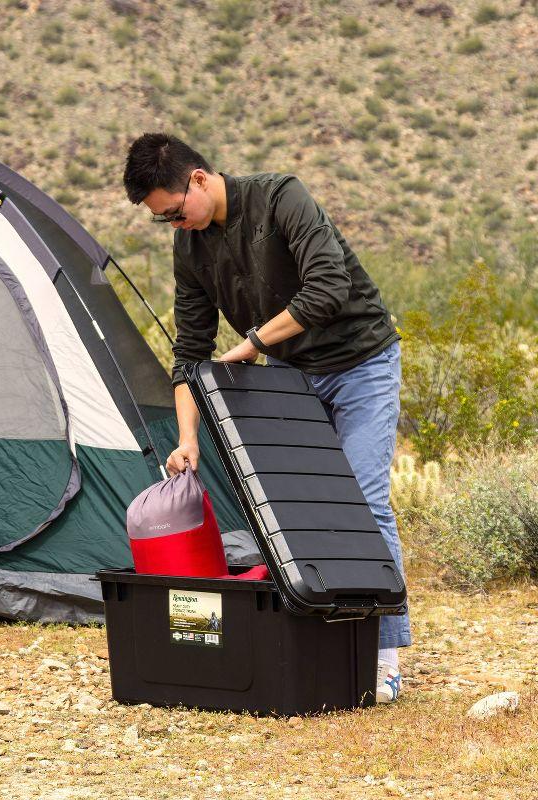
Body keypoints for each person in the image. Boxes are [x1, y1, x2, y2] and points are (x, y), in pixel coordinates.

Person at [122, 132, 410, 703]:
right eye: (165, 222)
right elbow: (190, 353)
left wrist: (253, 343)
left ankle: (382, 658)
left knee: (362, 501)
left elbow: (329, 288)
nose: (177, 226)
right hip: (292, 378)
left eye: (177, 213)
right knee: (300, 510)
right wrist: (188, 439)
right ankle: (323, 638)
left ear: (199, 179)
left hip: (362, 364)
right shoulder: (191, 249)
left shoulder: (281, 197)